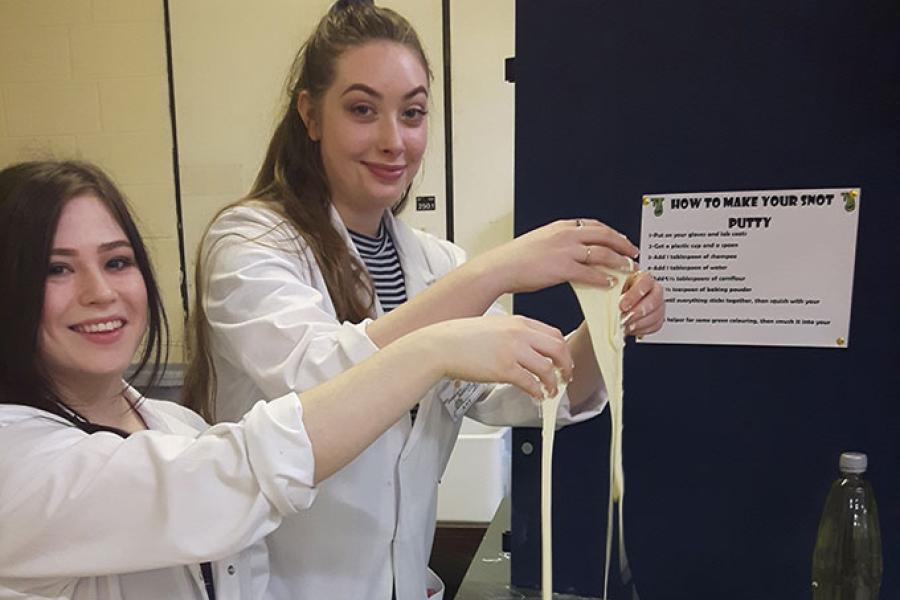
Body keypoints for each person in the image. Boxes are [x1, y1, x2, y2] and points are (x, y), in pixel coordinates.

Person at [187, 2, 665, 598]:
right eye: (363, 110)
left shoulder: (435, 266)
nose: (394, 141)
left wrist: (606, 325)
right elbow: (317, 385)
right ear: (310, 114)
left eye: (412, 114)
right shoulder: (250, 242)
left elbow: (524, 393)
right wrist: (496, 271)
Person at [0, 160, 575, 600]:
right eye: (56, 269)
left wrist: (603, 330)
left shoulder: (174, 423)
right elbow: (249, 458)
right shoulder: (14, 459)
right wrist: (440, 338)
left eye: (117, 261)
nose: (100, 292)